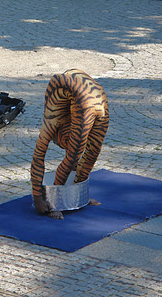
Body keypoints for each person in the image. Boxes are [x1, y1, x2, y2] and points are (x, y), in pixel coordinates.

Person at [31, 69, 109, 219]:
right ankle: (74, 197)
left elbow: (42, 155)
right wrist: (37, 196)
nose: (64, 146)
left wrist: (45, 200)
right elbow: (39, 156)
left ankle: (61, 202)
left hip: (89, 95)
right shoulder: (55, 116)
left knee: (79, 155)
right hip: (94, 94)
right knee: (86, 153)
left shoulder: (55, 121)